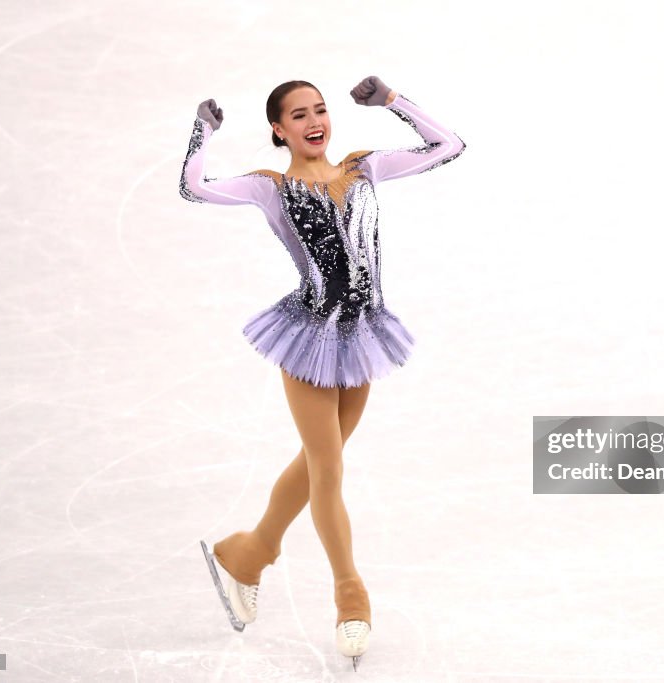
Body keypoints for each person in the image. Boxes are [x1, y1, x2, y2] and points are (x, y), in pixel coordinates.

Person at [179, 75, 465, 669]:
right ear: (279, 130)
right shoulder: (270, 189)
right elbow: (193, 188)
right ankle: (349, 595)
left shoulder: (365, 168)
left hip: (362, 336)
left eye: (320, 110)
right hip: (309, 337)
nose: (314, 121)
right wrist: (202, 132)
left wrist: (393, 102)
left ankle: (249, 552)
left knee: (318, 461)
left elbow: (449, 146)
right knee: (329, 466)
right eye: (298, 115)